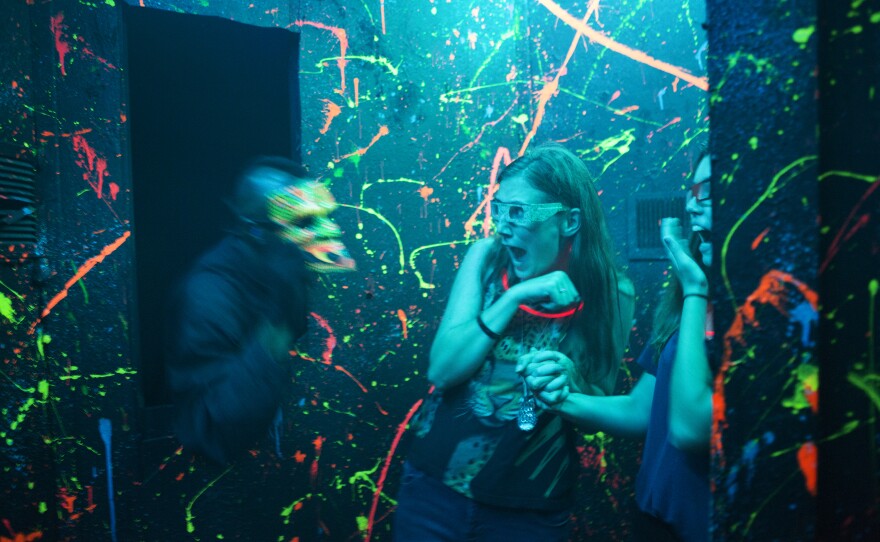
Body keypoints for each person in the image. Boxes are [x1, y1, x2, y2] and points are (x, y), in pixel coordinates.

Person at [393, 143, 635, 541]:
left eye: (519, 212)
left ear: (569, 221)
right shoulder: (485, 258)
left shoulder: (613, 294)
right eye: (499, 209)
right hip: (434, 491)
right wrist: (512, 298)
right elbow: (442, 370)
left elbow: (598, 403)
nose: (503, 225)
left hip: (529, 509)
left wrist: (570, 381)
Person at [519, 150, 714, 542]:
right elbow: (641, 410)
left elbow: (690, 428)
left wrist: (694, 289)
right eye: (691, 191)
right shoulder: (692, 302)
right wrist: (559, 398)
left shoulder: (768, 312)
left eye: (706, 191)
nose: (691, 204)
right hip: (654, 521)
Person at [166, 156, 355, 465]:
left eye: (325, 216)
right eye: (304, 222)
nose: (327, 231)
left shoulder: (289, 271)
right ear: (256, 232)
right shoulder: (208, 294)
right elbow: (213, 428)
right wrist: (276, 325)